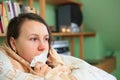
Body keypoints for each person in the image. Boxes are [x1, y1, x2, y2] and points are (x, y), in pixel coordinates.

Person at [0, 13, 116, 80]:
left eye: (46, 39)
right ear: (14, 43)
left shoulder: (53, 58)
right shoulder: (6, 64)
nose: (43, 47)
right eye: (33, 39)